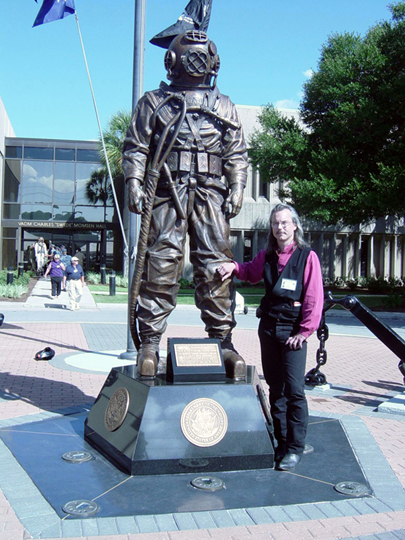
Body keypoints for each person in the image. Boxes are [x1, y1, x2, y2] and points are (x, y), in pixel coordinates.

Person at [122, 30, 248, 379]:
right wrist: (134, 182)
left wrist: (237, 186)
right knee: (161, 262)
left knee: (216, 265)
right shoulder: (154, 102)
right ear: (173, 60)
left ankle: (223, 340)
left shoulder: (224, 106)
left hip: (210, 194)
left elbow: (236, 153)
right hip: (167, 192)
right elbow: (135, 147)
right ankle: (149, 343)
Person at [218, 203, 324, 472]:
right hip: (268, 328)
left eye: (285, 222)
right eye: (276, 223)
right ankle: (281, 442)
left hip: (293, 334)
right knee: (276, 390)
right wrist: (232, 268)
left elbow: (313, 297)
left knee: (294, 391)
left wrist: (304, 331)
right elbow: (249, 272)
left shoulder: (306, 257)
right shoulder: (266, 256)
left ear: (295, 225)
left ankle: (295, 448)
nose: (280, 227)